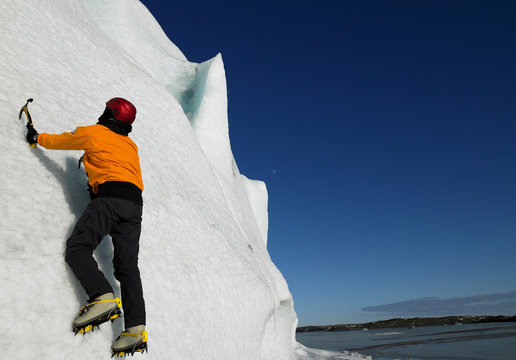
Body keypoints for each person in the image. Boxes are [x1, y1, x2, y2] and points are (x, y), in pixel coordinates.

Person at [26, 98, 148, 357]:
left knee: (77, 249)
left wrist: (37, 137)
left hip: (110, 199)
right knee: (127, 267)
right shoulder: (130, 145)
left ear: (110, 114)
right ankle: (136, 328)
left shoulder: (94, 133)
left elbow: (62, 141)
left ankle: (102, 296)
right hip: (134, 206)